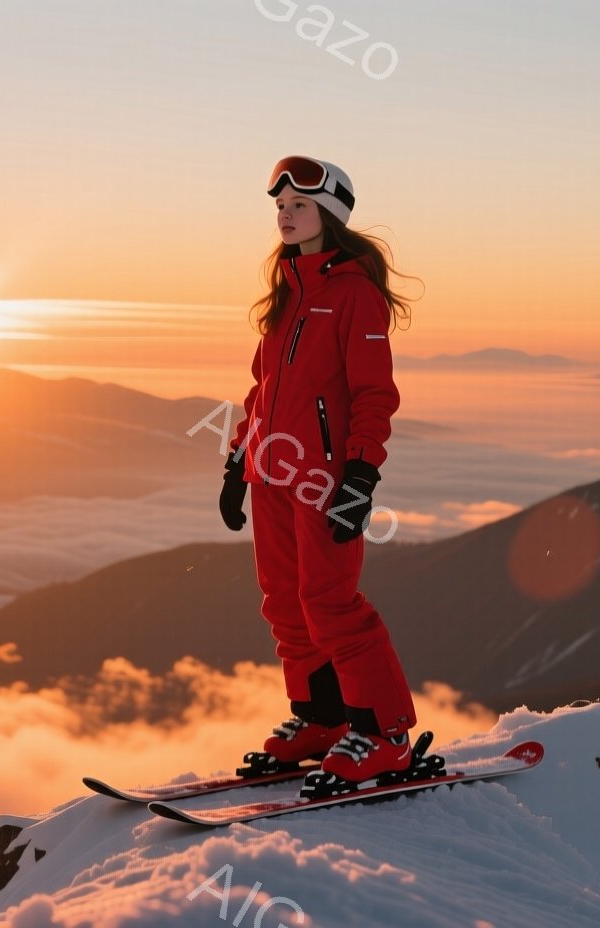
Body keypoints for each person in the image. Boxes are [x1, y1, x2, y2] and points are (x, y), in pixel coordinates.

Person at [218, 155, 421, 788]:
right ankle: (322, 717)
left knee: (330, 602)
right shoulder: (286, 294)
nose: (284, 213)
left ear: (328, 215)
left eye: (298, 205)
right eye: (279, 205)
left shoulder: (353, 295)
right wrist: (236, 460)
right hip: (271, 474)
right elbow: (262, 390)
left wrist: (360, 475)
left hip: (325, 478)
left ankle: (384, 732)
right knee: (284, 602)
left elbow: (373, 395)